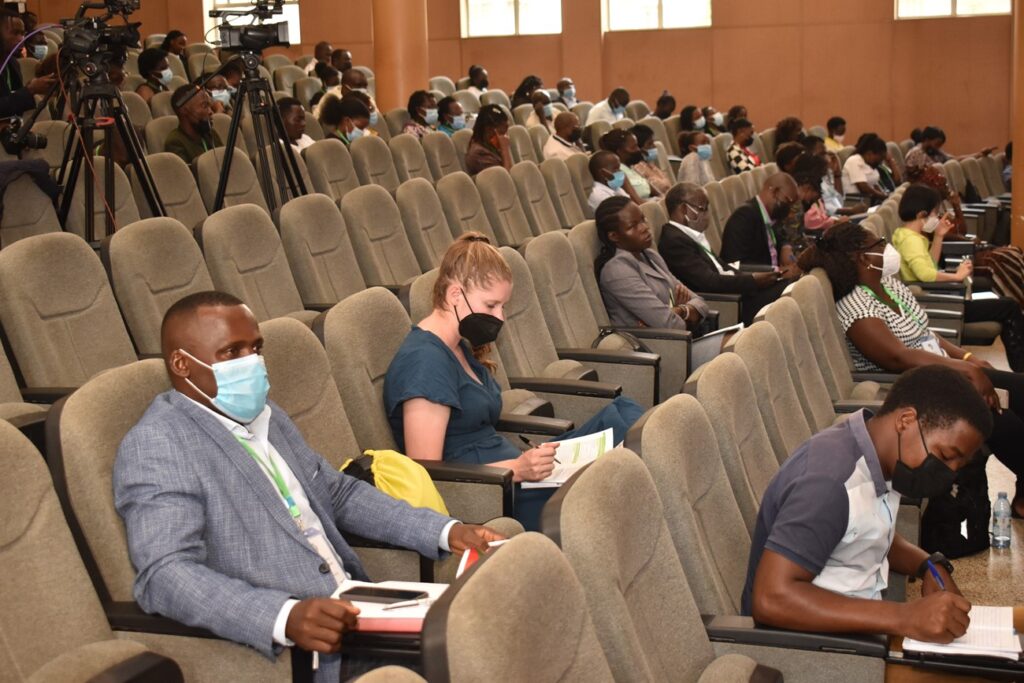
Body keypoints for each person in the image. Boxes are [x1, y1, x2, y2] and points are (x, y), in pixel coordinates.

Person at [114, 291, 503, 682]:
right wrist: (282, 616)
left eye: (255, 348)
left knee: (498, 619)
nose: (251, 363)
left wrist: (444, 530)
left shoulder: (266, 415)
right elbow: (165, 574)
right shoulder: (159, 443)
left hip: (361, 610)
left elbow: (337, 492)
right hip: (299, 653)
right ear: (181, 364)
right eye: (232, 353)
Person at [384, 233, 643, 531]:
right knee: (611, 484)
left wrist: (525, 463)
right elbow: (426, 471)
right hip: (491, 493)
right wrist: (517, 469)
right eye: (492, 305)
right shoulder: (425, 362)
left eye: (502, 307)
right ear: (455, 295)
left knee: (624, 416)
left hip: (517, 473)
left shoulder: (459, 345)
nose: (501, 317)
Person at [743, 365, 990, 643]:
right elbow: (771, 598)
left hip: (858, 633)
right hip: (814, 651)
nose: (948, 474)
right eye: (945, 455)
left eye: (958, 465)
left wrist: (929, 565)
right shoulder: (829, 483)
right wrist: (904, 617)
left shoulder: (881, 457)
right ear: (906, 420)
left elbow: (865, 533)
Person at [799, 223, 1024, 514]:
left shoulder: (888, 285)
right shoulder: (855, 308)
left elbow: (925, 331)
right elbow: (898, 357)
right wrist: (964, 371)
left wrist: (966, 358)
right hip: (915, 384)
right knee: (999, 417)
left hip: (943, 369)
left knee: (1018, 389)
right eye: (879, 243)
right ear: (864, 257)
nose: (886, 247)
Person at [891, 184, 1024, 370]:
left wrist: (938, 237)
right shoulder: (911, 240)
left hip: (937, 298)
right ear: (922, 215)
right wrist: (956, 276)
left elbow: (928, 264)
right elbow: (926, 274)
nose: (937, 218)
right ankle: (1021, 370)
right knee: (1009, 307)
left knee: (1007, 306)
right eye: (935, 214)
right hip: (939, 304)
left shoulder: (906, 235)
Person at [659, 183, 787, 326]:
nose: (707, 214)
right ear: (684, 209)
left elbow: (722, 268)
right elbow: (709, 282)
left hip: (736, 293)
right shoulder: (674, 241)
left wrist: (754, 279)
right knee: (789, 292)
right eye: (703, 208)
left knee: (789, 285)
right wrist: (753, 281)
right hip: (726, 303)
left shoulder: (691, 234)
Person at [596, 195, 711, 331]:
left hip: (685, 341)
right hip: (655, 347)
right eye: (633, 226)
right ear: (614, 236)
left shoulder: (651, 255)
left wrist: (680, 310)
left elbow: (701, 303)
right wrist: (686, 312)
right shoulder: (617, 271)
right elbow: (671, 325)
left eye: (643, 220)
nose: (644, 227)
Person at [720, 172, 799, 276]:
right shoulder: (743, 217)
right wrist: (777, 272)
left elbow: (780, 236)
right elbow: (733, 265)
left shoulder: (771, 214)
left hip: (774, 278)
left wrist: (786, 247)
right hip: (756, 285)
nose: (788, 208)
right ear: (773, 191)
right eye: (787, 201)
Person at [0, 10, 54, 117]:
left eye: (23, 34)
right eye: (15, 33)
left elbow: (13, 107)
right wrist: (30, 90)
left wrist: (29, 89)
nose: (21, 39)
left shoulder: (13, 63)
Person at [164, 85, 222, 165]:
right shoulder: (175, 142)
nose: (210, 111)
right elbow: (188, 175)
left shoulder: (210, 133)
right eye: (204, 106)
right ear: (184, 110)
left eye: (210, 106)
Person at [904, 126, 996, 172]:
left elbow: (954, 159)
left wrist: (980, 154)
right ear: (927, 140)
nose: (938, 148)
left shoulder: (935, 152)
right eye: (937, 144)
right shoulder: (915, 154)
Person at [602, 128, 657, 200]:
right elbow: (637, 202)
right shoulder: (619, 174)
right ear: (620, 151)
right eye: (633, 147)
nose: (638, 149)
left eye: (637, 145)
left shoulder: (632, 167)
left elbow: (657, 192)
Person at [465, 104, 511, 176]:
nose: (505, 137)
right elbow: (505, 179)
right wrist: (505, 149)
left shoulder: (489, 146)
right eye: (502, 133)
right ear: (489, 129)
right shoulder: (479, 154)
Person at [842, 133, 888, 201]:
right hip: (854, 202)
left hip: (868, 201)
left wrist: (885, 196)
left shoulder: (869, 164)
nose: (881, 161)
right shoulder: (854, 160)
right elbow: (864, 188)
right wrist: (884, 197)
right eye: (880, 157)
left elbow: (875, 185)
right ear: (870, 153)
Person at [630, 124, 672, 196]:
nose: (654, 146)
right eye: (650, 144)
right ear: (639, 148)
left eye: (653, 142)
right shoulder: (637, 168)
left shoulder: (649, 164)